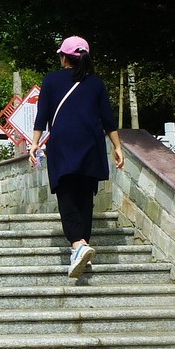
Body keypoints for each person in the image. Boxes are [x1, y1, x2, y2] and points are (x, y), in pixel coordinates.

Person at [28, 35, 125, 278]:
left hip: (63, 144)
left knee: (67, 194)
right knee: (85, 198)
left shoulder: (51, 80)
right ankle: (83, 247)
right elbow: (108, 120)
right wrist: (117, 147)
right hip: (91, 145)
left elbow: (43, 115)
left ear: (64, 57)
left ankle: (77, 245)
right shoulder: (96, 83)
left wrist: (35, 142)